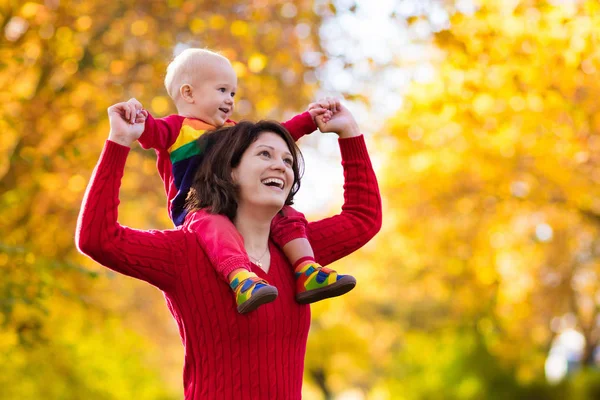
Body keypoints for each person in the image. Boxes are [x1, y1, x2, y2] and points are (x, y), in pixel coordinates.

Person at [76, 99, 381, 399]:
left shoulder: (298, 253)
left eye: (288, 160)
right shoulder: (186, 252)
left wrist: (349, 132)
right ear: (231, 171)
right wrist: (118, 141)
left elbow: (363, 217)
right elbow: (97, 238)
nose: (280, 165)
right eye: (265, 154)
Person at [120, 48, 356, 313]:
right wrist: (135, 115)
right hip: (199, 208)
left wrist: (310, 120)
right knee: (215, 225)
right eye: (222, 90)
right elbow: (147, 131)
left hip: (237, 200)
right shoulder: (175, 128)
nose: (230, 99)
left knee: (287, 216)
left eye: (232, 93)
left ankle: (306, 269)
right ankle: (241, 279)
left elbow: (277, 135)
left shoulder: (233, 131)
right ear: (188, 93)